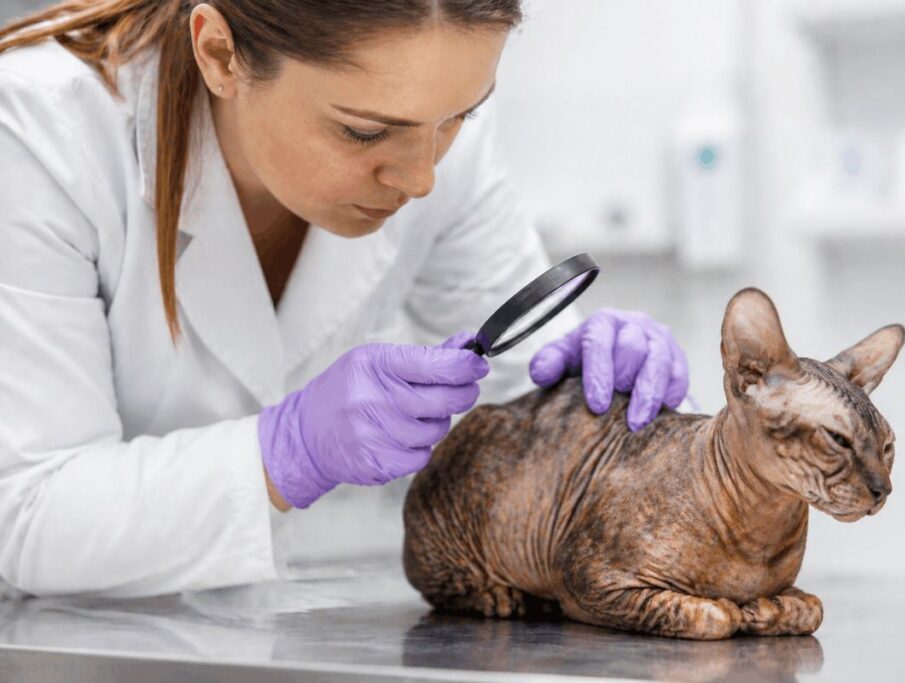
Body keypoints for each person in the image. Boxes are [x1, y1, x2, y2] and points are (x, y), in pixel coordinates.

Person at [0, 0, 690, 599]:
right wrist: (284, 452)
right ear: (220, 54)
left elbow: (535, 393)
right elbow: (25, 512)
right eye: (363, 132)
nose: (420, 176)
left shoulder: (431, 136)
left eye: (459, 116)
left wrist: (606, 406)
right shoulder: (38, 133)